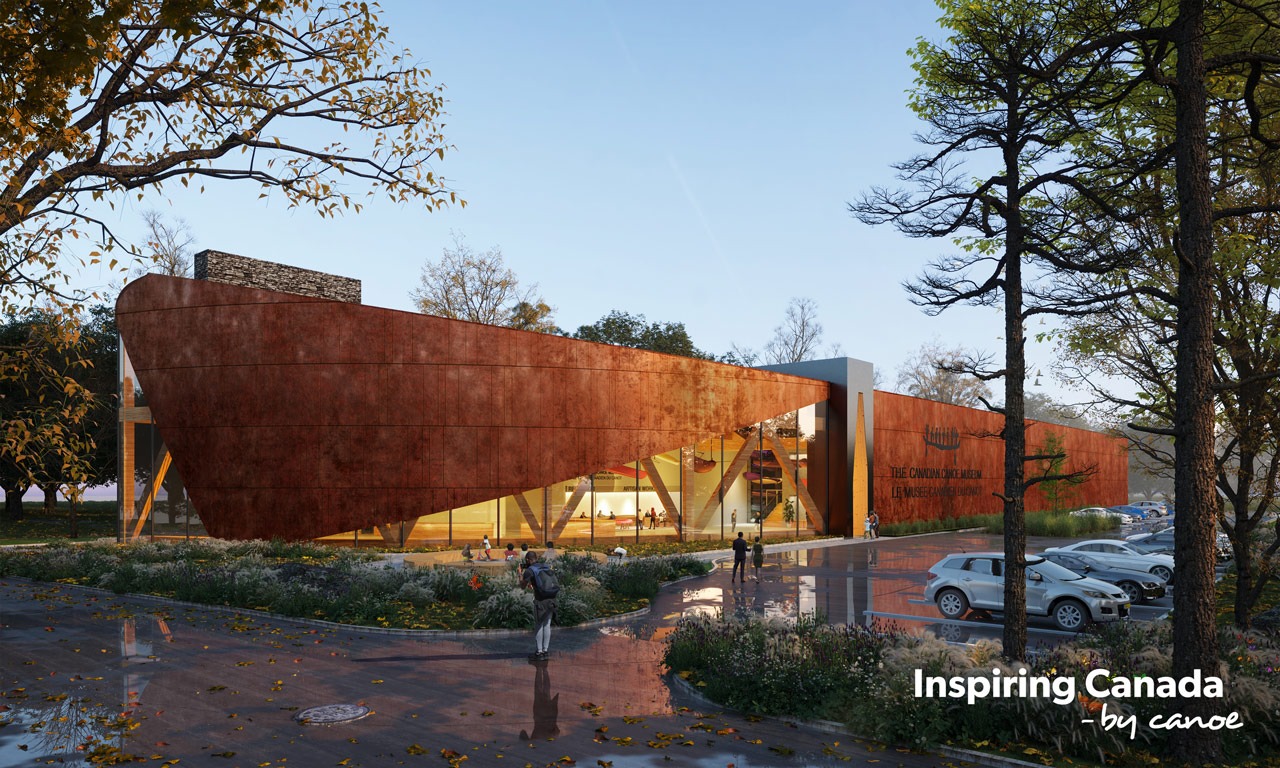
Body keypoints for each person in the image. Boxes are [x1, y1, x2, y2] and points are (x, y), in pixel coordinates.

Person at [521, 552, 558, 660]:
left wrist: (519, 574)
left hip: (540, 601)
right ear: (536, 558)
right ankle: (545, 651)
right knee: (547, 625)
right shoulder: (545, 566)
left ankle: (539, 652)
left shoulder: (529, 570)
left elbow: (522, 586)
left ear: (528, 560)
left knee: (539, 625)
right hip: (551, 598)